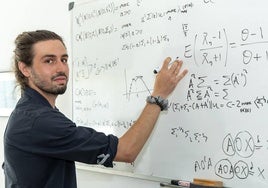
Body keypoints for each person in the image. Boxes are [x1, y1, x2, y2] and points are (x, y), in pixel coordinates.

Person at [2, 30, 188, 188]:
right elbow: (126, 151)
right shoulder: (38, 121)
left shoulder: (33, 112)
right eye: (49, 61)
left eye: (64, 59)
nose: (61, 68)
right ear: (25, 69)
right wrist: (158, 96)